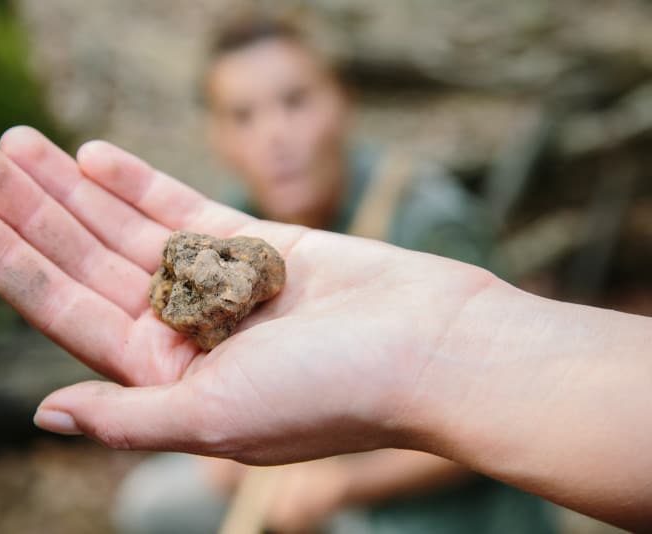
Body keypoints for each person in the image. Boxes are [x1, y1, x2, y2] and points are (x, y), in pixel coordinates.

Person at [105, 14, 548, 534]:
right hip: (306, 461)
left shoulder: (429, 222)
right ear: (218, 137)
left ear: (342, 100)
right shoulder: (235, 228)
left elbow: (509, 415)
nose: (275, 135)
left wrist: (342, 485)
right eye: (243, 116)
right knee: (155, 504)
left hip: (443, 506)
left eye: (295, 101)